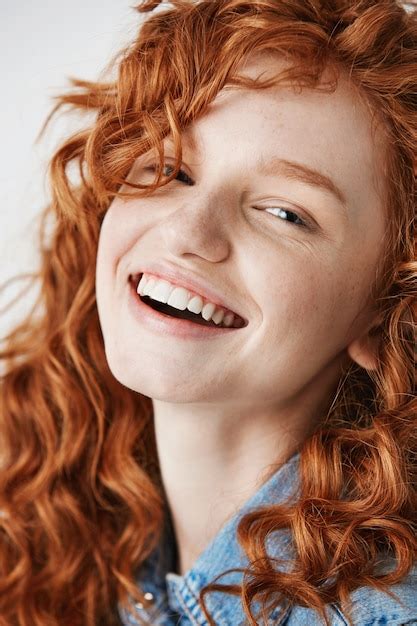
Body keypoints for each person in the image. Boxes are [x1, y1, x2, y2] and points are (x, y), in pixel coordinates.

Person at [0, 0, 416, 624]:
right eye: (171, 168)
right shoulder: (54, 519)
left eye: (284, 213)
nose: (189, 231)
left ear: (383, 314)